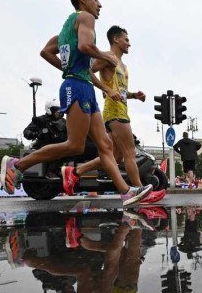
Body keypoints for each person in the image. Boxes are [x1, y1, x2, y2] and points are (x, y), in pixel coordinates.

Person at [1, 0, 151, 206]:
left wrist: (70, 68)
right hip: (76, 87)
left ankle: (126, 192)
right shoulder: (85, 18)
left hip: (83, 85)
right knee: (75, 145)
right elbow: (84, 46)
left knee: (105, 145)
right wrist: (105, 56)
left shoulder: (65, 29)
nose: (99, 4)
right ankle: (18, 164)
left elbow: (46, 51)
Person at [62, 25, 163, 203]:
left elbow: (120, 91)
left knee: (114, 156)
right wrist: (107, 89)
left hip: (120, 109)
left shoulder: (122, 64)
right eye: (126, 40)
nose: (129, 44)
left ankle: (75, 171)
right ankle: (141, 193)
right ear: (116, 39)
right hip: (115, 112)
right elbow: (86, 71)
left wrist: (133, 95)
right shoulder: (108, 58)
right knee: (130, 153)